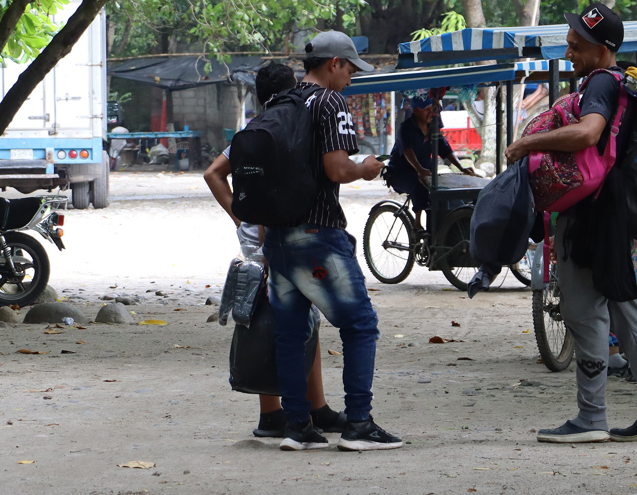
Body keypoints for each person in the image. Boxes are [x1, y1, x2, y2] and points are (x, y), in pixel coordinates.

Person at [505, 2, 637, 443]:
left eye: (578, 45)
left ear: (604, 49)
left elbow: (587, 134)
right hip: (614, 210)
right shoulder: (622, 81)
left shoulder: (601, 82)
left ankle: (591, 417)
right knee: (624, 307)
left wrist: (529, 142)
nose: (570, 50)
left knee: (584, 313)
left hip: (591, 211)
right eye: (570, 42)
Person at [263, 31, 403, 452]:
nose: (351, 79)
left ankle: (297, 426)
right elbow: (337, 168)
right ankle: (359, 423)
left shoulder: (281, 102)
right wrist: (366, 168)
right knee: (360, 325)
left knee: (290, 334)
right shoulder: (329, 102)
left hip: (278, 237)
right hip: (318, 233)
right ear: (333, 64)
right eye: (349, 69)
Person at [203, 61, 346, 438]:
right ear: (292, 90)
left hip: (255, 239)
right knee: (294, 324)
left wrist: (240, 216)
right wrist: (267, 240)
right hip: (274, 240)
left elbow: (212, 173)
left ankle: (296, 410)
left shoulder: (251, 132)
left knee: (273, 322)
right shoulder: (285, 131)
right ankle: (294, 413)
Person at [386, 94, 476, 229]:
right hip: (400, 173)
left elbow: (445, 149)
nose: (431, 112)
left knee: (439, 190)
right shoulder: (406, 128)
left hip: (424, 170)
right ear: (416, 110)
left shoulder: (433, 128)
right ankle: (417, 223)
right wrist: (419, 169)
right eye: (426, 109)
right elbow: (407, 151)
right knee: (419, 183)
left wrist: (462, 168)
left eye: (432, 109)